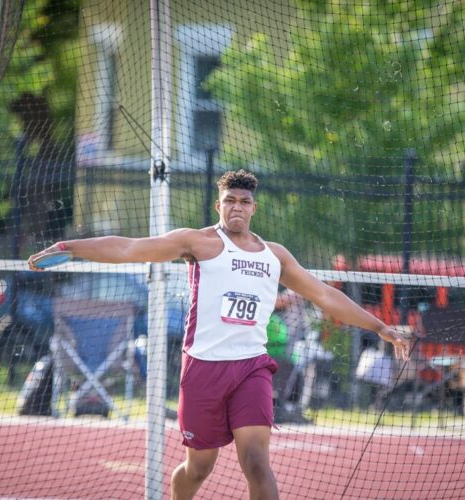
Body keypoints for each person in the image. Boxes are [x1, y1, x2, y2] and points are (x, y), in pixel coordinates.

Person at [28, 169, 411, 500]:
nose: (237, 208)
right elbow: (130, 248)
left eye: (245, 202)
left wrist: (381, 328)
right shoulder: (199, 243)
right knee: (199, 467)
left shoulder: (274, 255)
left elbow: (325, 295)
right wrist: (69, 247)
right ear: (219, 205)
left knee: (257, 462)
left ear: (254, 208)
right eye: (230, 201)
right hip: (203, 370)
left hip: (251, 368)